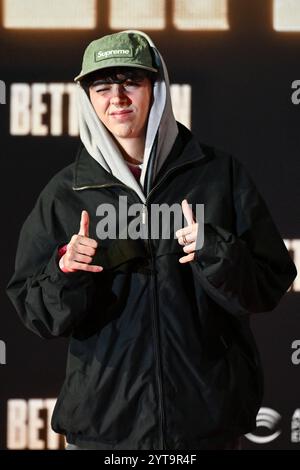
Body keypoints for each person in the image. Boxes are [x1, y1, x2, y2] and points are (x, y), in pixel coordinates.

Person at [7, 30, 296, 451]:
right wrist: (66, 271)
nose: (117, 98)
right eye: (103, 87)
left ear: (157, 88)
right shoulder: (68, 192)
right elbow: (34, 311)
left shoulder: (218, 176)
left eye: (131, 83)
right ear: (88, 98)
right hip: (104, 431)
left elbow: (270, 284)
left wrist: (215, 250)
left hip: (205, 427)